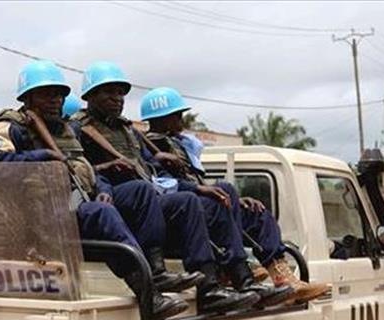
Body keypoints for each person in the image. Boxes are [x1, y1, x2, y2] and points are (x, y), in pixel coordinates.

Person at [0, 60, 198, 320]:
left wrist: (103, 188)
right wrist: (40, 156)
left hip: (75, 203)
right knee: (101, 213)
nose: (55, 100)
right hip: (39, 216)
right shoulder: (11, 125)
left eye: (59, 94)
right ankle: (148, 295)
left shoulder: (65, 129)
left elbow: (86, 168)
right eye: (46, 94)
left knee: (138, 190)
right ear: (28, 97)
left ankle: (157, 270)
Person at [71, 62, 291, 309]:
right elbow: (77, 169)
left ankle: (233, 280)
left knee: (217, 196)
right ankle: (157, 270)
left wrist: (173, 171)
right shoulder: (78, 128)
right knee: (173, 197)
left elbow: (150, 167)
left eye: (120, 92)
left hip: (149, 193)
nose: (117, 98)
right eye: (108, 92)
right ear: (89, 96)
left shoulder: (127, 130)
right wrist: (107, 168)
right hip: (117, 200)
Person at [141, 87, 330, 303]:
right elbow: (160, 186)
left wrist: (229, 198)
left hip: (201, 202)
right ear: (161, 119)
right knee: (224, 190)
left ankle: (280, 274)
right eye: (176, 115)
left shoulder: (181, 144)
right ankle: (238, 271)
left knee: (255, 212)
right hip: (181, 212)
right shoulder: (148, 147)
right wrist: (203, 190)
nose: (181, 120)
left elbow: (198, 180)